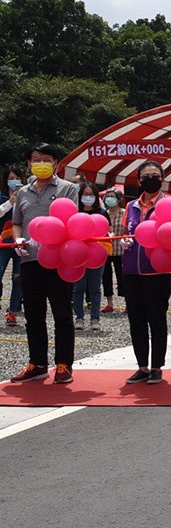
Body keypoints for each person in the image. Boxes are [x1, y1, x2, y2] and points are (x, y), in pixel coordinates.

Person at [8, 144, 80, 383]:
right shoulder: (23, 192)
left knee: (62, 312)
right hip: (29, 259)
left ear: (56, 163)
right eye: (36, 160)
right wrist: (18, 237)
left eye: (46, 159)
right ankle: (37, 363)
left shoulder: (68, 189)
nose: (41, 163)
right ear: (29, 164)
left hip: (58, 259)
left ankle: (63, 364)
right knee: (33, 314)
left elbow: (72, 220)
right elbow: (17, 221)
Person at [120, 161, 171, 384]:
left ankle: (156, 366)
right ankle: (141, 366)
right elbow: (125, 231)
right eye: (146, 176)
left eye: (155, 175)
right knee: (136, 320)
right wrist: (123, 241)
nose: (150, 179)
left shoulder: (169, 205)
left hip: (157, 272)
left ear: (162, 178)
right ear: (139, 180)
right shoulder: (131, 206)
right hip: (131, 271)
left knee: (157, 319)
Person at [72, 181, 106, 332]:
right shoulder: (75, 212)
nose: (88, 197)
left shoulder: (102, 213)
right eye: (85, 194)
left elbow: (107, 232)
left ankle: (95, 319)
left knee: (95, 288)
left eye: (91, 194)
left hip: (96, 255)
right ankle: (79, 317)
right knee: (78, 287)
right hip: (77, 254)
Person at [1, 166, 25, 327]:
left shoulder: (26, 195)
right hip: (3, 242)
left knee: (18, 277)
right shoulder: (2, 195)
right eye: (10, 178)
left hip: (20, 242)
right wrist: (10, 202)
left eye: (16, 177)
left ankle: (12, 312)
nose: (13, 181)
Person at [100, 187, 125, 313]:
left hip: (121, 251)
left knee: (123, 277)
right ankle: (109, 303)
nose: (109, 199)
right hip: (106, 251)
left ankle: (127, 302)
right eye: (107, 196)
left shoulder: (124, 213)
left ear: (119, 199)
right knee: (106, 277)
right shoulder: (104, 213)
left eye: (112, 197)